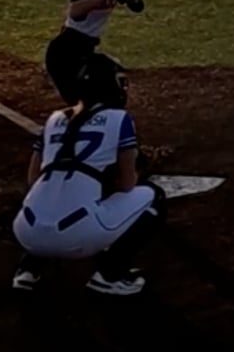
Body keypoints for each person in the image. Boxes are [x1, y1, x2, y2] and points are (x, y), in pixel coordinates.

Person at [12, 53, 164, 297]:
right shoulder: (119, 118)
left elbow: (33, 179)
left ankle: (27, 270)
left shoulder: (54, 119)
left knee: (48, 195)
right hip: (78, 237)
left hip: (25, 232)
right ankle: (110, 275)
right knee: (154, 195)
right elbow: (127, 184)